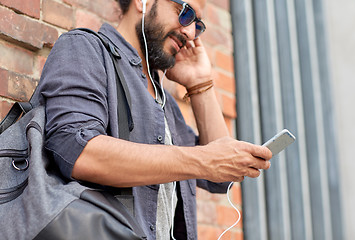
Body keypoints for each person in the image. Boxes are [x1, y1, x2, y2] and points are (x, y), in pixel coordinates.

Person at [34, 0, 272, 239]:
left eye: (197, 26)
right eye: (185, 13)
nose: (190, 34)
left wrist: (200, 84)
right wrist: (203, 159)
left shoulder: (164, 101)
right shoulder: (86, 49)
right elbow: (77, 151)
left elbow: (220, 179)